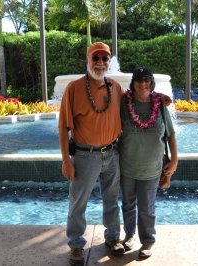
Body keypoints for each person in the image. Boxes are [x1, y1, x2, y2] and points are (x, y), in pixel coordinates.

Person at [58, 42, 126, 266]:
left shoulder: (115, 87)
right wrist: (66, 160)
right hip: (85, 156)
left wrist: (159, 99)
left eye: (105, 59)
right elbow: (63, 127)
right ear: (87, 60)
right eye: (95, 58)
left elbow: (135, 102)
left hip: (112, 154)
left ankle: (113, 237)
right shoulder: (75, 88)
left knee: (112, 199)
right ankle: (76, 245)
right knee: (78, 202)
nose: (100, 63)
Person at [118, 67, 178, 259]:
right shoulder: (124, 104)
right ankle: (129, 235)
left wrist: (175, 159)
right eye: (138, 80)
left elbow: (170, 134)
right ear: (133, 83)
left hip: (152, 167)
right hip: (127, 165)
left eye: (146, 80)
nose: (142, 83)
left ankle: (147, 241)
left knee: (146, 207)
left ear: (152, 83)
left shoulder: (160, 105)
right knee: (128, 204)